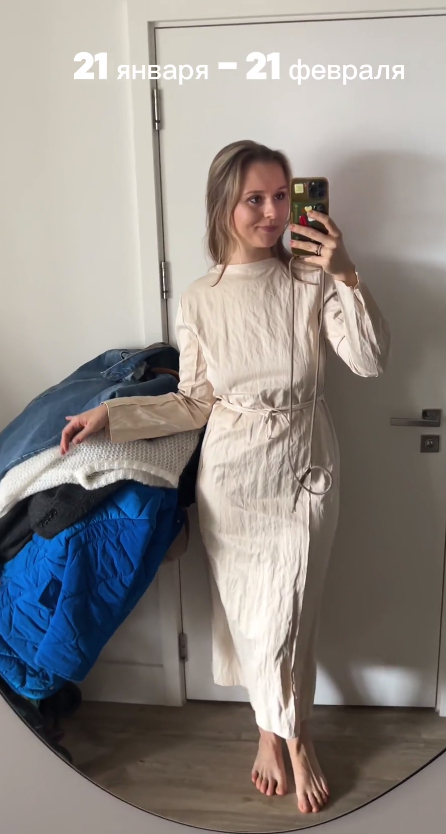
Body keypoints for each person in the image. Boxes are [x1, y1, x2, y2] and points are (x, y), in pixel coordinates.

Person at [60, 140, 391, 814]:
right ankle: (273, 732)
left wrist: (347, 273)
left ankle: (294, 738)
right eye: (254, 199)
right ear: (224, 206)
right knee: (251, 616)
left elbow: (369, 360)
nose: (272, 212)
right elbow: (192, 402)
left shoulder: (311, 279)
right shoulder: (200, 299)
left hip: (304, 465)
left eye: (282, 196)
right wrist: (112, 416)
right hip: (233, 477)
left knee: (290, 611)